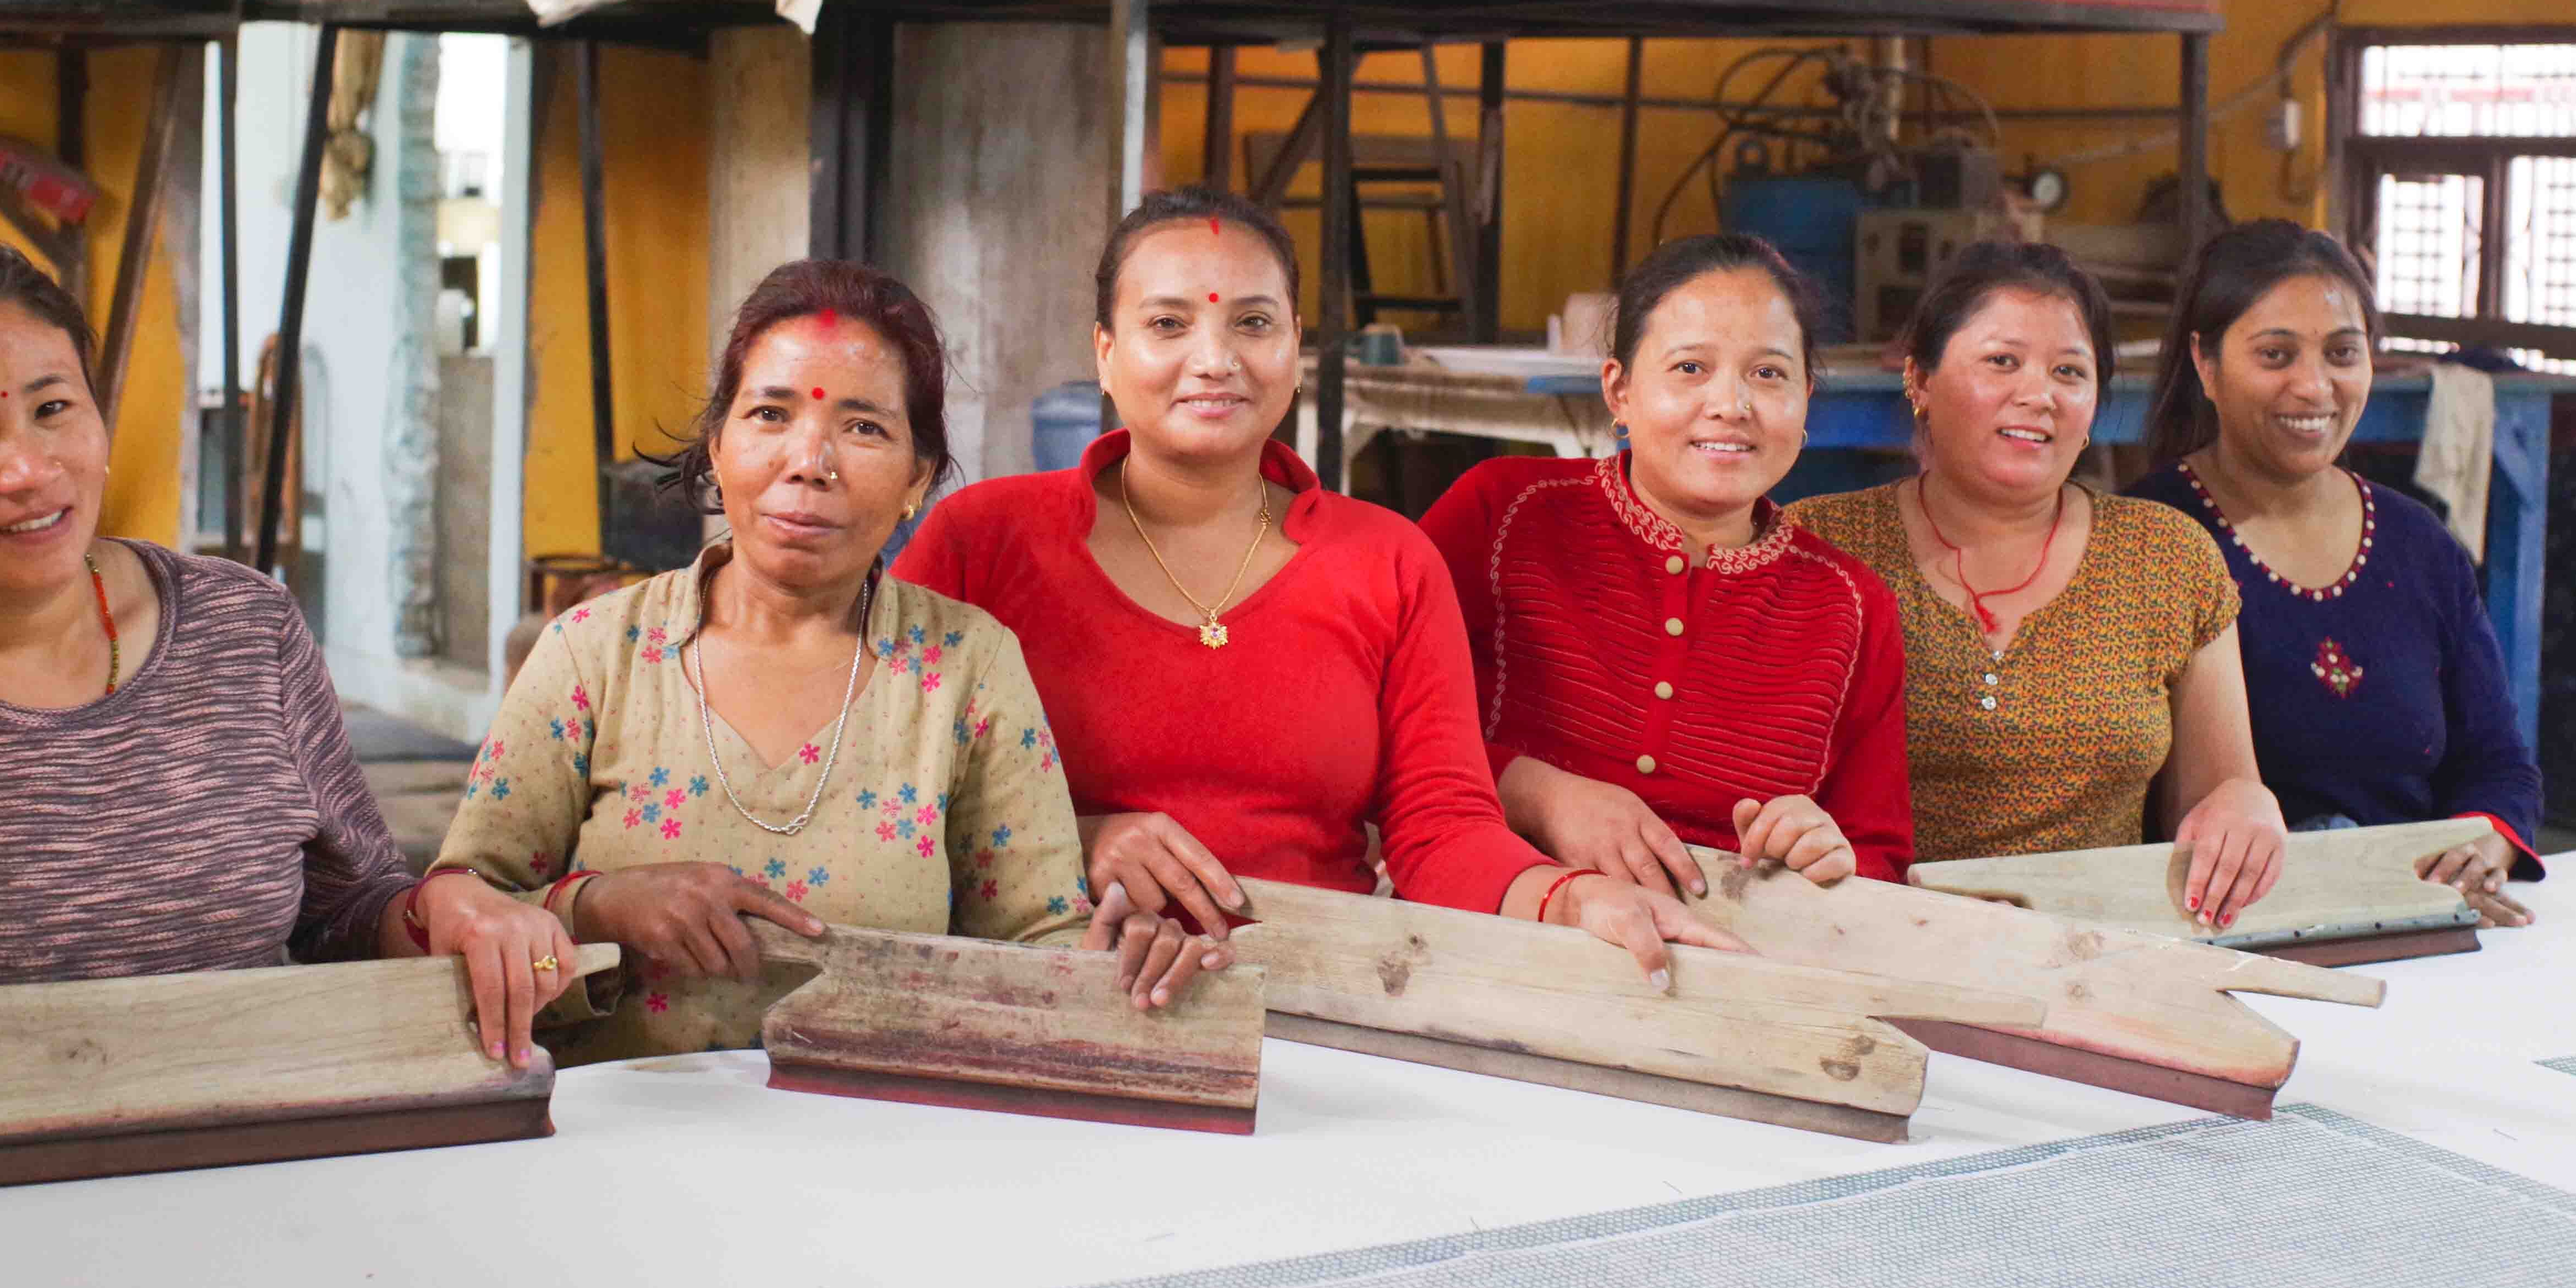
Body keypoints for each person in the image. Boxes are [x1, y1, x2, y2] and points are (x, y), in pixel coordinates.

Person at [0, 233, 568, 1143]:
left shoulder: (247, 633)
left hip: (250, 1183)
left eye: (53, 409)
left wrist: (440, 912)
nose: (29, 472)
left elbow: (347, 917)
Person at [895, 189, 1742, 983]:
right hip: (1041, 992)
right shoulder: (984, 541)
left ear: (1295, 350)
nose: (1215, 359)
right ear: (1106, 356)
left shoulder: (1387, 561)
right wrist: (1062, 841)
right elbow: (881, 792)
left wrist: (1570, 898)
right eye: (1168, 323)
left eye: (1254, 323)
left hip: (1319, 1002)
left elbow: (1441, 829)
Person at [434, 260, 1222, 1060]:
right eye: (770, 414)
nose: (810, 461)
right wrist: (595, 908)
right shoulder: (597, 653)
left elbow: (1038, 943)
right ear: (717, 444)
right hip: (612, 1142)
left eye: (864, 427)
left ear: (917, 479)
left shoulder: (965, 668)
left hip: (886, 1151)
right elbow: (453, 909)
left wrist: (1128, 969)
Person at [1788, 241, 2287, 927]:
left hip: (2097, 952)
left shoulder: (2166, 556)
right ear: (1920, 381)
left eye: (2069, 372)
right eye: (2002, 362)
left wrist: (2247, 804)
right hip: (1866, 943)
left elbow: (2218, 794)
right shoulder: (1815, 549)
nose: (2038, 395)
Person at [1420, 233, 1911, 898]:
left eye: (1768, 374)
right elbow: (1378, 728)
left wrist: (1826, 851)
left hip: (1737, 958)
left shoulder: (1852, 605)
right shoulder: (1506, 513)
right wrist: (1540, 794)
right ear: (1619, 391)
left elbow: (1877, 854)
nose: (1731, 406)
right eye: (1690, 369)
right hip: (1496, 918)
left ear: (1806, 402)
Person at [2129, 220, 2541, 924]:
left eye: (2343, 353)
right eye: (2275, 355)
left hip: (2415, 914)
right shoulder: (2145, 539)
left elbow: (2499, 760)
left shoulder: (2419, 545)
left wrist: (2486, 840)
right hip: (2218, 928)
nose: (2314, 387)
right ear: (2206, 364)